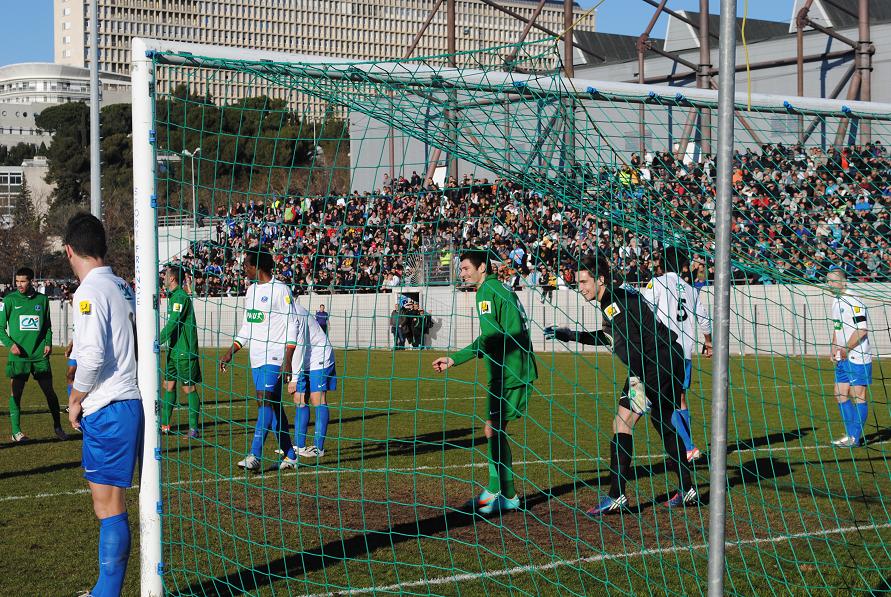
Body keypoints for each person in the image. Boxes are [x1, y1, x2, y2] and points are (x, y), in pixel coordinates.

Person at [544, 253, 695, 515]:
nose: (581, 288)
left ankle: (617, 495)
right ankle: (687, 488)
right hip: (670, 358)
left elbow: (631, 345)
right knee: (664, 421)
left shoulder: (613, 303)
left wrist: (640, 381)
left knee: (622, 423)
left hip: (652, 365)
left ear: (600, 279)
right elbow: (610, 337)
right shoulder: (617, 298)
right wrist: (569, 334)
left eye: (584, 281)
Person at [65, 213, 143, 597]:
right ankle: (103, 588)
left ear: (69, 250)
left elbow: (93, 356)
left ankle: (107, 593)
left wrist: (76, 399)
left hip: (109, 406)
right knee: (110, 504)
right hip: (125, 402)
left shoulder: (88, 291)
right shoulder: (121, 285)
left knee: (109, 506)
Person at [433, 249, 537, 515]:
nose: (463, 273)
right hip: (515, 366)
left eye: (466, 268)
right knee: (494, 429)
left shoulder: (485, 293)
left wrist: (455, 359)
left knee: (492, 429)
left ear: (482, 268)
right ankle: (499, 492)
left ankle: (504, 494)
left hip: (509, 370)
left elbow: (491, 337)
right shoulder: (500, 288)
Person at [219, 249, 296, 471]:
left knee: (264, 401)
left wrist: (288, 359)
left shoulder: (281, 290)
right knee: (273, 405)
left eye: (247, 265)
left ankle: (255, 454)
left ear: (258, 267)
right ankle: (290, 455)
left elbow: (292, 325)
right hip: (256, 357)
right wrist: (231, 351)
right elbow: (247, 326)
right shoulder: (251, 291)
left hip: (275, 356)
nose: (244, 269)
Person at [640, 246, 712, 461]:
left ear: (661, 264)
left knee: (661, 399)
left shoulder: (658, 283)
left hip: (664, 350)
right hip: (685, 352)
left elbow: (646, 311)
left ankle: (688, 446)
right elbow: (704, 319)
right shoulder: (691, 289)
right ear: (683, 266)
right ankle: (688, 447)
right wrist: (708, 342)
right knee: (679, 396)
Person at [0, 266, 66, 442]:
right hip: (19, 356)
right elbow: (0, 328)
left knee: (49, 392)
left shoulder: (42, 300)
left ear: (32, 281)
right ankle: (16, 432)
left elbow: (47, 326)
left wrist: (48, 343)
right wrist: (10, 344)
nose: (19, 285)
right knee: (16, 393)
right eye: (17, 281)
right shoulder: (9, 300)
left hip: (39, 356)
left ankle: (58, 427)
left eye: (23, 281)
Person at [280, 300, 336, 466]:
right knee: (299, 398)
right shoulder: (280, 313)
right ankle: (298, 446)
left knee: (316, 398)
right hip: (304, 359)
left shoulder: (295, 314)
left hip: (319, 355)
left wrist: (295, 378)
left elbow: (300, 346)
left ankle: (319, 448)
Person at [827, 267, 872, 447]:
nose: (829, 284)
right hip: (842, 355)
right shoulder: (835, 301)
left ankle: (854, 437)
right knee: (839, 393)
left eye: (832, 281)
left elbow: (862, 330)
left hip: (858, 357)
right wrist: (834, 347)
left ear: (843, 282)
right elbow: (837, 327)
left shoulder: (854, 301)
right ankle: (851, 435)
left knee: (858, 395)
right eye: (827, 281)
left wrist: (845, 348)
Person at [159, 264, 202, 438]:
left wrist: (157, 339)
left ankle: (193, 429)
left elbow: (173, 323)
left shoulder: (180, 297)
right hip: (173, 350)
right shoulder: (173, 297)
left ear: (172, 278)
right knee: (167, 385)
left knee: (188, 388)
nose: (163, 278)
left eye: (165, 275)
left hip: (184, 351)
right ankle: (165, 425)